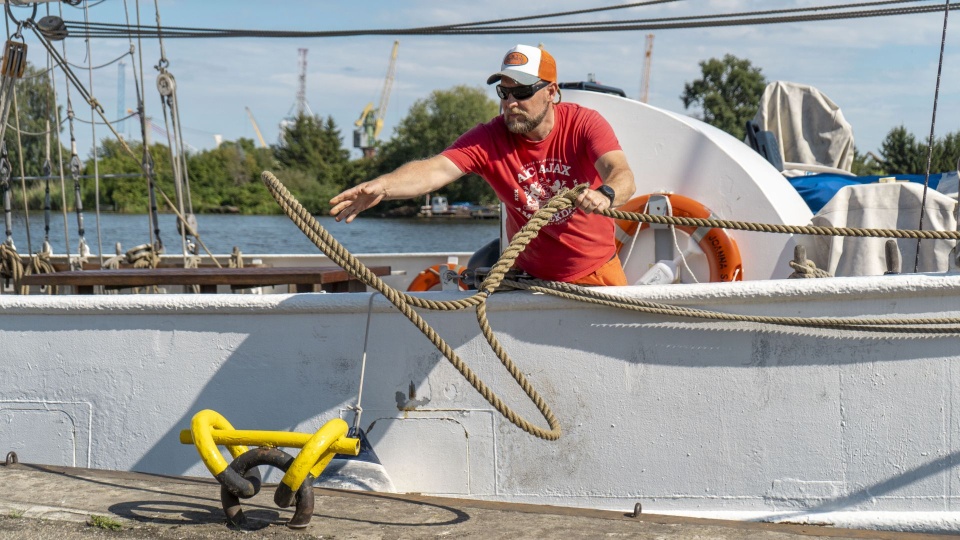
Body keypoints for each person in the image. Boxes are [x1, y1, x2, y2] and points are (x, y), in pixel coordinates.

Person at [330, 44, 636, 286]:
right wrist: (383, 185)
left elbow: (621, 173)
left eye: (522, 91)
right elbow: (433, 170)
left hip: (598, 274)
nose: (511, 102)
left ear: (552, 92)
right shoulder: (489, 138)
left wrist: (605, 194)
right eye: (504, 92)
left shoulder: (584, 124)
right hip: (528, 282)